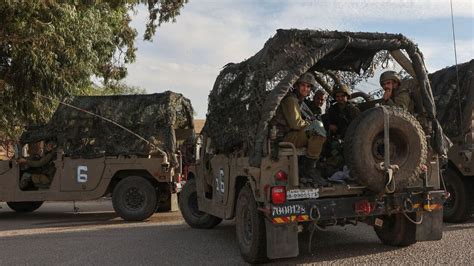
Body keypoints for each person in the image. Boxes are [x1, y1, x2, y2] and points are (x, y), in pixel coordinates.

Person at [273, 73, 328, 185]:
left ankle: (308, 167)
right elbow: (296, 124)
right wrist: (311, 124)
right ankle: (309, 169)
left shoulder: (299, 101)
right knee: (317, 129)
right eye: (303, 85)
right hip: (284, 138)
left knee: (319, 129)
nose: (305, 89)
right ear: (297, 86)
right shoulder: (291, 100)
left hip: (290, 135)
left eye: (308, 86)